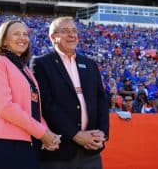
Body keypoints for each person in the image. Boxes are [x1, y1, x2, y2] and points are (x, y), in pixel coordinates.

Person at [0, 20, 61, 169]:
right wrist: (42, 133)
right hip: (4, 144)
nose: (23, 38)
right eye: (16, 34)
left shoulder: (25, 70)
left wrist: (48, 135)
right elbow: (5, 107)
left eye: (25, 34)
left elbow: (34, 108)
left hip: (29, 144)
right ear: (3, 40)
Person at [33, 17, 109, 169]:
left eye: (74, 31)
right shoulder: (41, 64)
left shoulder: (90, 64)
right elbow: (47, 105)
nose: (72, 35)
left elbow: (101, 100)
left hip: (91, 151)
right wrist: (75, 135)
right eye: (66, 31)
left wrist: (102, 133)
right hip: (59, 152)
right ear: (53, 37)